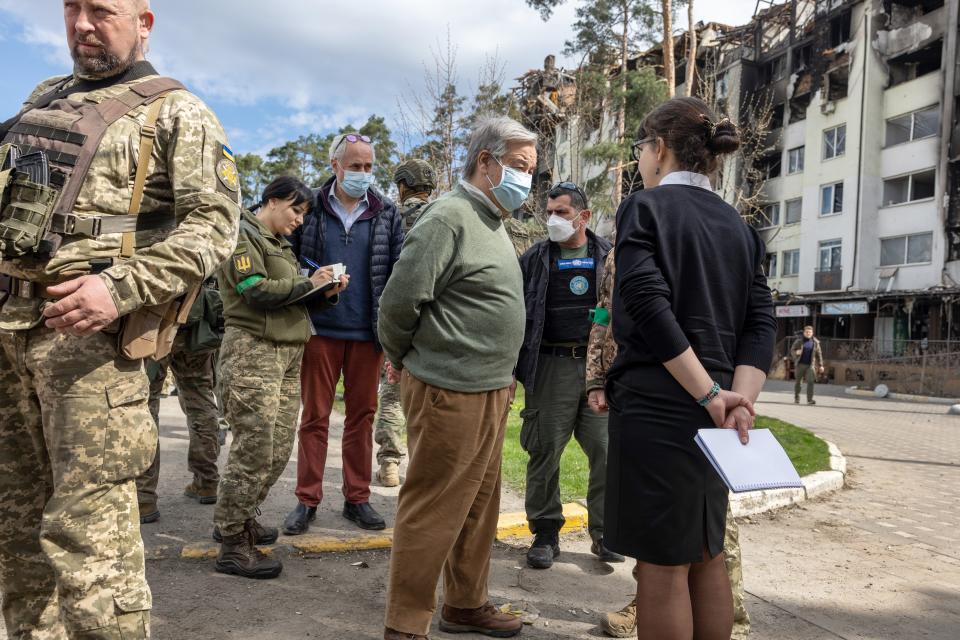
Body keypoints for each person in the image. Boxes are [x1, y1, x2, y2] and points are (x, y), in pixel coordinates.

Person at [0, 0, 241, 635]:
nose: (82, 24)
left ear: (144, 21)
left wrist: (120, 287)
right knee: (15, 530)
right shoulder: (41, 100)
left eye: (101, 10)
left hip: (91, 354)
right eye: (72, 8)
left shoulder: (176, 113)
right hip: (8, 334)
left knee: (91, 544)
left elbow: (215, 228)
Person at [605, 96, 776, 640]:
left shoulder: (645, 206)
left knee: (662, 563)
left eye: (640, 150)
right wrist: (737, 400)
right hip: (722, 412)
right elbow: (761, 320)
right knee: (706, 552)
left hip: (662, 404)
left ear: (658, 149)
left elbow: (647, 304)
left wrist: (708, 396)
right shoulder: (740, 227)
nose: (639, 162)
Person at [378, 116, 536, 640]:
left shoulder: (490, 220)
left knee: (479, 504)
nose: (526, 180)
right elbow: (400, 302)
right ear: (485, 162)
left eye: (531, 170)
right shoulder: (448, 217)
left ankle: (465, 605)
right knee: (434, 506)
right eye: (518, 167)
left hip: (491, 388)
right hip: (449, 389)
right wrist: (401, 358)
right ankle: (405, 625)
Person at [587, 252, 752, 640]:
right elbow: (603, 314)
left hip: (675, 394)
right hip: (641, 391)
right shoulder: (620, 253)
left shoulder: (678, 234)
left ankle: (732, 618)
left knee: (700, 544)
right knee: (666, 543)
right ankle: (647, 602)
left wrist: (719, 393)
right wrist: (597, 376)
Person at [214, 176, 348, 579]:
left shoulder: (280, 247)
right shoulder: (242, 234)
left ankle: (241, 518)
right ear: (272, 200)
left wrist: (323, 289)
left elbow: (288, 297)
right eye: (296, 209)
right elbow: (255, 289)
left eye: (305, 214)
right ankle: (231, 539)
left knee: (275, 449)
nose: (300, 220)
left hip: (288, 352)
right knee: (253, 449)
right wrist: (310, 281)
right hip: (254, 349)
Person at [284, 133, 403, 535]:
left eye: (369, 167)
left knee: (361, 418)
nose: (363, 174)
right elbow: (286, 259)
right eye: (355, 166)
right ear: (335, 165)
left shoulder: (387, 212)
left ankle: (357, 497)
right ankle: (307, 499)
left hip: (368, 335)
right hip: (320, 330)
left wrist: (392, 336)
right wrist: (310, 279)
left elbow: (398, 273)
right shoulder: (311, 208)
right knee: (315, 417)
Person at [515, 182, 622, 569]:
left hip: (599, 372)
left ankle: (605, 532)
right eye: (550, 212)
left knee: (607, 452)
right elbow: (516, 316)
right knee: (544, 451)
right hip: (550, 367)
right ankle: (545, 533)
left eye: (561, 212)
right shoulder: (535, 259)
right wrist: (513, 370)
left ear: (584, 216)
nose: (553, 220)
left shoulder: (610, 256)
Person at [136, 288, 224, 523]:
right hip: (196, 323)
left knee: (146, 406)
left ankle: (144, 497)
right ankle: (207, 481)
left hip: (153, 323)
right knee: (200, 400)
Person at [373, 159, 436, 487]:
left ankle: (390, 463)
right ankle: (426, 467)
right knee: (432, 394)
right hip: (435, 320)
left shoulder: (390, 217)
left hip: (397, 315)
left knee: (393, 391)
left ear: (402, 185)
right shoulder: (441, 215)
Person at [791, 325, 824, 405]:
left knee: (811, 382)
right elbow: (792, 350)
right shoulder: (799, 341)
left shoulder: (815, 342)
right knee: (798, 382)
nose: (808, 333)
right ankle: (797, 398)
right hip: (800, 364)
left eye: (810, 332)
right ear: (804, 333)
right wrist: (796, 352)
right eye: (807, 332)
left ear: (812, 333)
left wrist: (821, 365)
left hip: (810, 365)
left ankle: (810, 400)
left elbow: (819, 354)